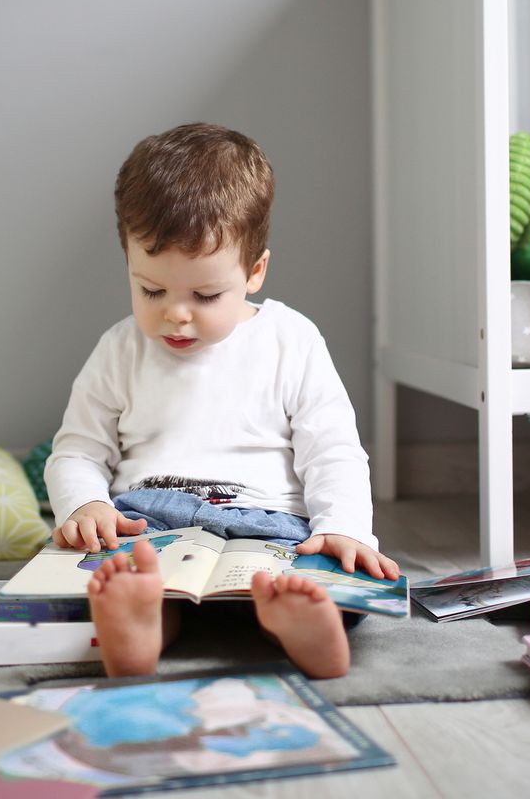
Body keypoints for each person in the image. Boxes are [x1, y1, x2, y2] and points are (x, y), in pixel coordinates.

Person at [45, 122, 398, 680]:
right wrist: (84, 507)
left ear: (254, 271)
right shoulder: (119, 349)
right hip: (147, 518)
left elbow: (332, 450)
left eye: (205, 295)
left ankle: (300, 624)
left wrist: (346, 526)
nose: (175, 314)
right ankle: (143, 626)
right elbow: (76, 452)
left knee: (316, 579)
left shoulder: (292, 339)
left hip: (271, 522)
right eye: (151, 290)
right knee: (126, 580)